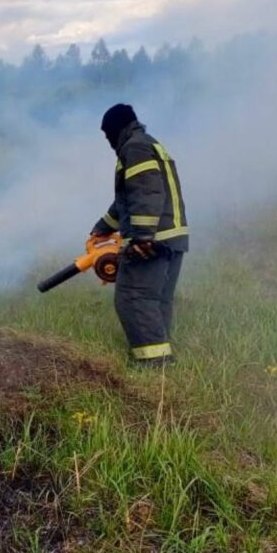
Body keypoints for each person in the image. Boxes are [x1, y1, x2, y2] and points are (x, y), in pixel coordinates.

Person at [90, 103, 188, 366]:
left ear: (116, 129)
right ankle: (162, 358)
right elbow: (128, 199)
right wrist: (104, 226)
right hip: (172, 237)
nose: (108, 141)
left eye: (107, 134)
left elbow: (146, 193)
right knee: (156, 300)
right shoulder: (149, 144)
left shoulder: (134, 148)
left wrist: (143, 238)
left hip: (154, 239)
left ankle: (153, 366)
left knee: (134, 297)